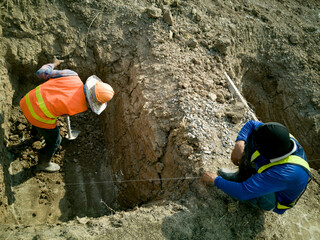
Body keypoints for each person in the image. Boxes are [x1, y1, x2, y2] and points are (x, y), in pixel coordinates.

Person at [20, 56, 114, 172]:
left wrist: (53, 64)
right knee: (55, 141)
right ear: (93, 102)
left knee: (43, 115)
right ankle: (43, 164)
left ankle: (35, 134)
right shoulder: (80, 107)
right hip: (37, 117)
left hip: (26, 101)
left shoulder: (71, 75)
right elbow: (62, 114)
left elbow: (41, 73)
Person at [201, 120, 311, 214]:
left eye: (259, 147)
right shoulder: (277, 137)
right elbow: (252, 124)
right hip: (270, 171)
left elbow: (242, 192)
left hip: (275, 197)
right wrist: (239, 144)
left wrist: (215, 180)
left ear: (269, 152)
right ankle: (239, 177)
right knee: (252, 137)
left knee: (247, 193)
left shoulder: (286, 173)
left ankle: (252, 202)